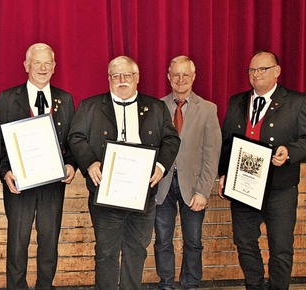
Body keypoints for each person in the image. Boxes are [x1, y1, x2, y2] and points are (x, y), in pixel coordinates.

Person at [67, 56, 180, 290]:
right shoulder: (90, 106)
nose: (122, 80)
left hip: (143, 195)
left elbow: (171, 139)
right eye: (116, 75)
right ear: (108, 79)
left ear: (137, 78)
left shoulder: (157, 108)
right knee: (106, 252)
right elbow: (75, 137)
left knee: (136, 250)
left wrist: (160, 167)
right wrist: (90, 163)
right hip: (105, 195)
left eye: (127, 75)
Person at [218, 51, 306, 290]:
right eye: (251, 70)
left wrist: (289, 151)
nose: (255, 75)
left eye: (262, 69)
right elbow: (227, 142)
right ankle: (254, 287)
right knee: (245, 243)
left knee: (280, 247)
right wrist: (224, 174)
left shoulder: (297, 102)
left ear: (277, 71)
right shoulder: (237, 101)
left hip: (280, 188)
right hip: (242, 186)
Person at [0, 43, 76, 290]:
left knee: (49, 243)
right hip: (19, 183)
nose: (42, 68)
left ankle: (45, 286)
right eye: (37, 63)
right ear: (26, 65)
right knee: (17, 244)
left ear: (54, 67)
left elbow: (74, 139)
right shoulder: (8, 98)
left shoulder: (65, 99)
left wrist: (72, 165)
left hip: (53, 184)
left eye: (47, 63)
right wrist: (4, 171)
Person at [154, 56, 221, 290]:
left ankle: (191, 284)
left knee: (193, 241)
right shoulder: (158, 107)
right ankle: (166, 283)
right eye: (176, 75)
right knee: (162, 239)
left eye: (185, 75)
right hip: (162, 186)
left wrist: (204, 190)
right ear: (168, 77)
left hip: (193, 187)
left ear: (194, 77)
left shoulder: (208, 109)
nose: (180, 79)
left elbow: (212, 154)